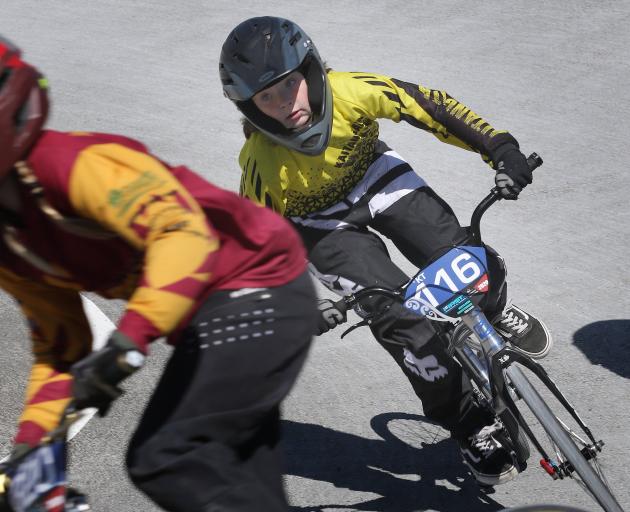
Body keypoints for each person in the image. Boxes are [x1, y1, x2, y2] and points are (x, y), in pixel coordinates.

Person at [219, 16, 553, 487]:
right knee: (401, 320)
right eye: (266, 97)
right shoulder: (260, 166)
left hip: (380, 180)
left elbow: (430, 108)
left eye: (290, 84)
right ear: (249, 108)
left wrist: (499, 147)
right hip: (322, 228)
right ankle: (469, 424)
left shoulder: (350, 90)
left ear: (311, 72)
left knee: (462, 261)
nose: (284, 104)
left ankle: (494, 310)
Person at [0, 36, 317, 512]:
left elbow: (183, 235)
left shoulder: (71, 163)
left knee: (166, 457)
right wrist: (31, 445)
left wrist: (128, 344)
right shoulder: (9, 245)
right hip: (210, 314)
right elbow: (61, 347)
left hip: (260, 278)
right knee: (242, 484)